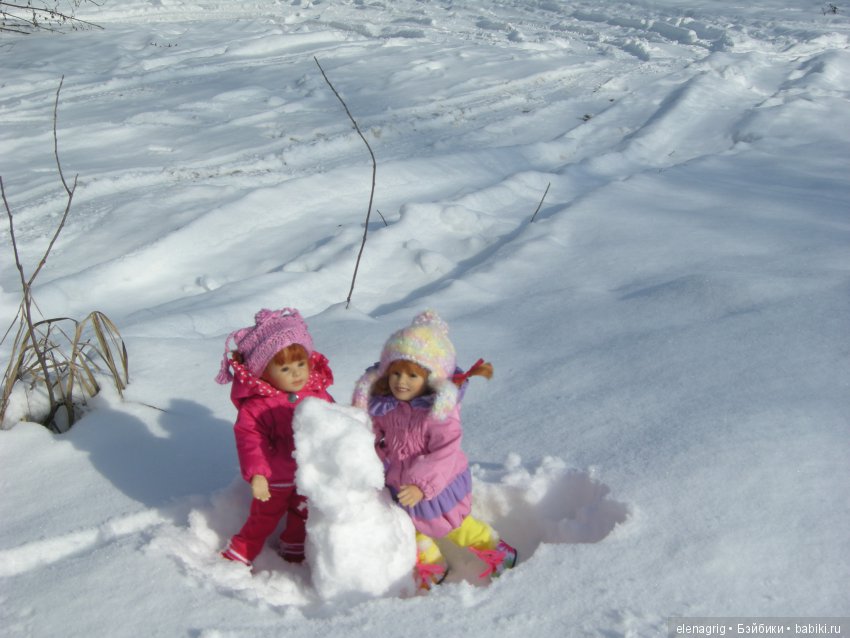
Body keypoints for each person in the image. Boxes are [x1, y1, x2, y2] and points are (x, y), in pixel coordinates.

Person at [352, 309, 517, 590]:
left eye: (412, 376)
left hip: (435, 487)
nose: (401, 382)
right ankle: (433, 567)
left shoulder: (438, 413)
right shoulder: (385, 403)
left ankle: (498, 550)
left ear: (430, 379)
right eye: (396, 373)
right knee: (409, 529)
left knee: (454, 527)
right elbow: (375, 431)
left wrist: (421, 485)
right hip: (398, 483)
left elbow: (446, 452)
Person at [215, 307, 334, 568]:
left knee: (302, 514)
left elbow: (332, 422)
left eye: (301, 364)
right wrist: (257, 474)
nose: (297, 374)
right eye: (285, 368)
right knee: (264, 517)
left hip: (307, 472)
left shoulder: (317, 392)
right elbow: (250, 439)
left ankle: (294, 548)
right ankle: (241, 552)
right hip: (274, 476)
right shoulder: (259, 405)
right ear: (265, 372)